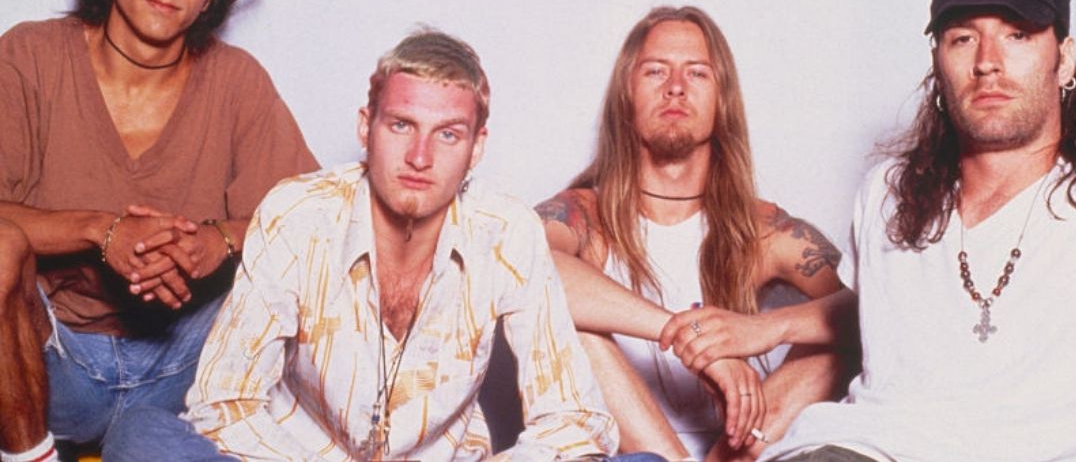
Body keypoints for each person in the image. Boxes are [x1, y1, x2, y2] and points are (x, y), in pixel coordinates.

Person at [110, 30, 666, 461]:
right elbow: (223, 402)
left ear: (476, 148)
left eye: (447, 134)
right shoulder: (298, 214)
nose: (420, 157)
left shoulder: (506, 231)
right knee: (140, 436)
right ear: (366, 126)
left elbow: (573, 418)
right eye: (401, 125)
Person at [761, 0, 1076, 461]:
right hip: (865, 446)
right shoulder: (888, 191)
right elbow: (876, 310)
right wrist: (761, 330)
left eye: (1017, 34)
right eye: (963, 39)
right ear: (937, 61)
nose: (988, 62)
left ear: (1063, 60)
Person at [0, 0, 318, 460]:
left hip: (189, 366)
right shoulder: (31, 56)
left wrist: (219, 240)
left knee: (319, 269)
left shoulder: (237, 80)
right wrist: (102, 230)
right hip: (54, 364)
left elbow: (318, 221)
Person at [536, 6, 859, 461]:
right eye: (655, 71)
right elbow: (523, 267)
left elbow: (876, 307)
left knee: (836, 339)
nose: (675, 87)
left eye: (697, 73)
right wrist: (695, 341)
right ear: (626, 94)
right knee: (567, 319)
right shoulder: (584, 215)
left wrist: (759, 331)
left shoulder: (763, 229)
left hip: (737, 451)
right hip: (628, 454)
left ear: (722, 98)